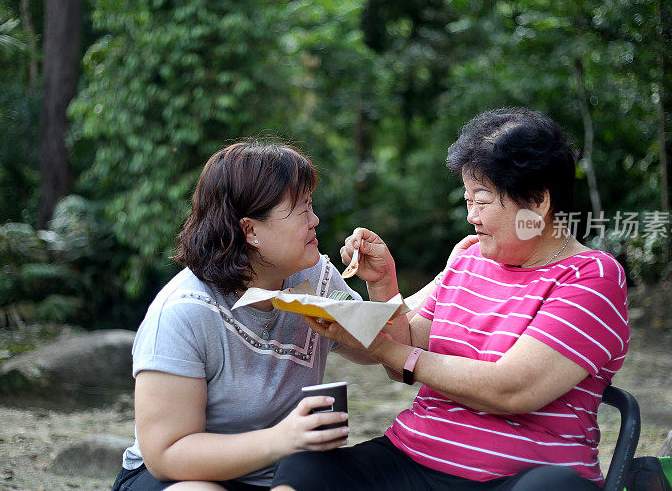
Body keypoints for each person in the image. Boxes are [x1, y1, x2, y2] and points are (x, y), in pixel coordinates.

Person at [272, 107, 630, 491]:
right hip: (415, 458)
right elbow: (404, 360)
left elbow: (511, 390)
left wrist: (385, 349)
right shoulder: (469, 257)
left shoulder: (592, 276)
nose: (471, 216)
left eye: (482, 200)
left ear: (538, 203)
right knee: (307, 470)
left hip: (516, 478)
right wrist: (382, 284)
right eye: (467, 199)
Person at [111, 140, 373, 491]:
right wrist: (283, 438)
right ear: (251, 231)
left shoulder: (315, 278)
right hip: (181, 476)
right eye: (301, 209)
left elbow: (379, 351)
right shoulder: (185, 312)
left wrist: (383, 283)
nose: (315, 220)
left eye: (312, 206)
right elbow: (165, 455)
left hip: (278, 472)